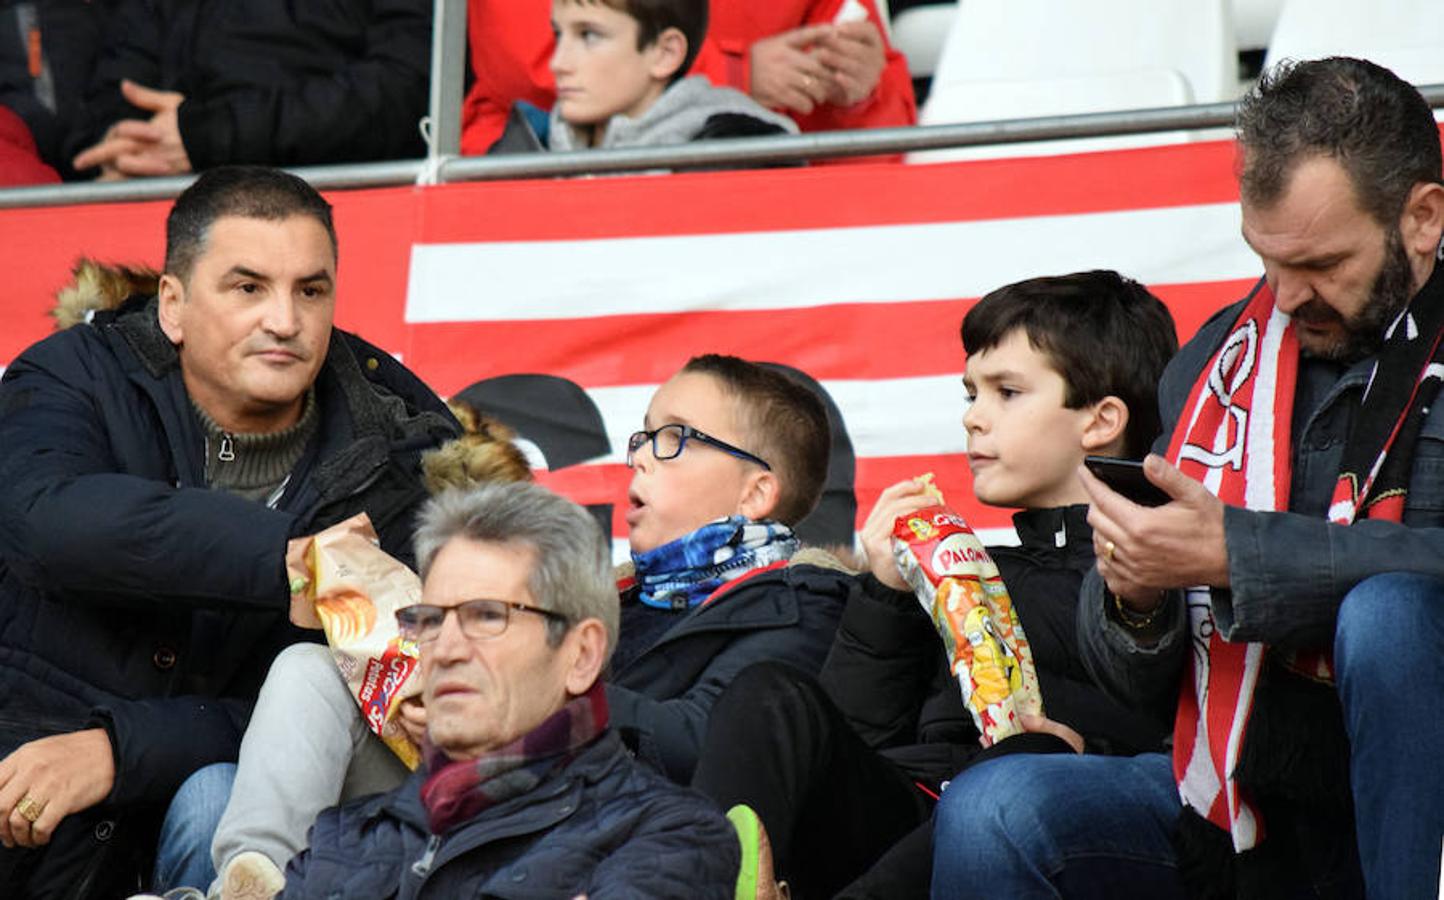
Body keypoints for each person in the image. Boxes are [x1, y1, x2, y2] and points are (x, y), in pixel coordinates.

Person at [930, 57, 1444, 900]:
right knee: (998, 810)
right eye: (1264, 258)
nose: (1282, 297)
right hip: (1245, 791)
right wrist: (1136, 595)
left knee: (1391, 617)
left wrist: (1237, 553)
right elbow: (1133, 679)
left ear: (1423, 218)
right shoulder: (1215, 363)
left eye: (1320, 263)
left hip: (1420, 778)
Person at [179, 352, 846, 897]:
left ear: (756, 493)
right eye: (642, 434)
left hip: (610, 833)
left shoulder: (806, 603)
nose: (639, 455)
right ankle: (254, 883)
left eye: (673, 439)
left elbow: (711, 742)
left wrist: (516, 693)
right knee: (303, 681)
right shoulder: (618, 592)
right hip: (475, 801)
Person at [0, 165, 457, 899]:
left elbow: (331, 719)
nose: (285, 320)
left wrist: (121, 752)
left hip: (218, 828)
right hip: (22, 811)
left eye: (311, 290)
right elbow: (48, 521)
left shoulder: (397, 464)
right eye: (248, 288)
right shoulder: (74, 375)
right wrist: (284, 566)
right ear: (173, 306)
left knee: (217, 792)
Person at [693, 270, 1179, 900]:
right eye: (970, 394)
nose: (974, 418)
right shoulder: (960, 565)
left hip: (1040, 822)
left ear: (1100, 420)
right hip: (904, 819)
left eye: (1006, 393)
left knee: (1028, 754)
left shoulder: (1158, 565)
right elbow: (852, 740)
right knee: (769, 696)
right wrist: (888, 591)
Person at [277, 482, 741, 898]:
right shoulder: (341, 841)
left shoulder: (668, 837)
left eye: (487, 616)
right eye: (431, 619)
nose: (447, 649)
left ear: (581, 655)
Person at [460, 0, 913, 155]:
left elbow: (886, 126)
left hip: (770, 214)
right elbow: (528, 61)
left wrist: (858, 92)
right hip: (533, 193)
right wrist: (732, 73)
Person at [64, 0, 431, 180]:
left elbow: (406, 91)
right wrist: (123, 143)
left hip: (335, 203)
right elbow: (111, 89)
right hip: (159, 209)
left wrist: (209, 136)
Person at [525, 0, 796, 152]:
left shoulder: (741, 155)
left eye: (589, 35)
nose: (557, 63)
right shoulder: (524, 146)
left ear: (665, 54)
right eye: (558, 34)